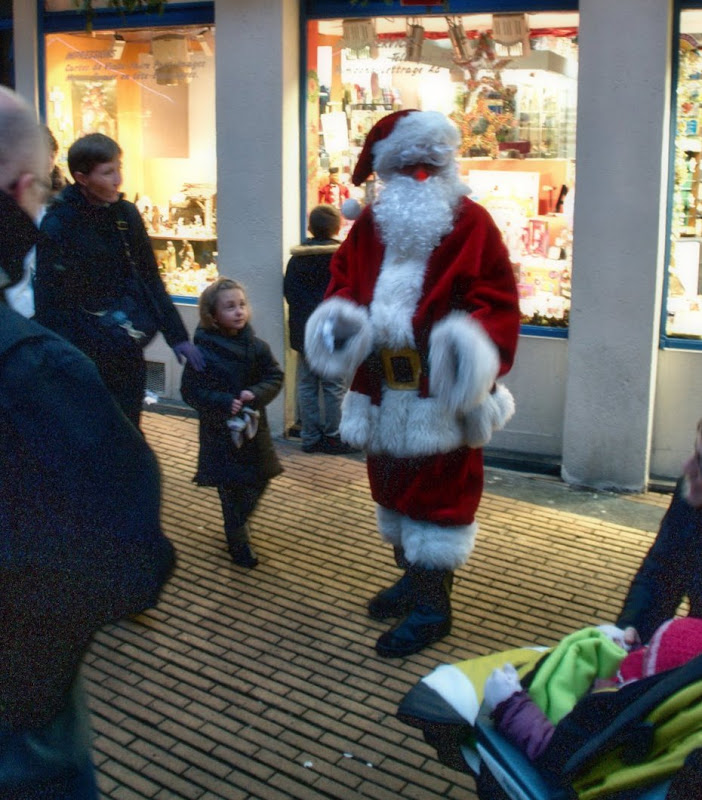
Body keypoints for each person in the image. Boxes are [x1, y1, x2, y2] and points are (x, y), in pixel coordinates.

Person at [0, 85, 175, 798]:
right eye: (37, 187)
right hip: (22, 725)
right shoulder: (37, 372)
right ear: (21, 191)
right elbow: (131, 557)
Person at [304, 109, 520, 658]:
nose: (420, 176)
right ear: (388, 172)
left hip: (442, 393)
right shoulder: (370, 229)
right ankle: (411, 579)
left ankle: (434, 606)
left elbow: (496, 301)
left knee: (440, 497)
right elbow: (344, 285)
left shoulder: (473, 224)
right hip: (381, 385)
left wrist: (466, 352)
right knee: (394, 488)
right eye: (408, 168)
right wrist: (342, 325)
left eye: (430, 165)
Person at [34, 132, 204, 429]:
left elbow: (150, 277)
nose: (118, 179)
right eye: (108, 171)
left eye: (119, 168)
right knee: (90, 432)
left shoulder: (125, 214)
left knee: (127, 428)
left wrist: (177, 336)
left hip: (124, 347)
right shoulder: (59, 222)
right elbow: (50, 298)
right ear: (82, 177)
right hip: (82, 353)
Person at [181, 277, 283, 568]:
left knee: (260, 478)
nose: (239, 311)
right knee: (230, 487)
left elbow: (274, 376)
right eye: (230, 307)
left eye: (242, 305)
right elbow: (190, 391)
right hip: (220, 431)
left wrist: (257, 394)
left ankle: (238, 522)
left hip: (253, 429)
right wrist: (223, 401)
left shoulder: (257, 347)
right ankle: (238, 541)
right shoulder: (202, 352)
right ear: (212, 316)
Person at [617, 418, 702, 648]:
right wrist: (632, 629)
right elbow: (663, 572)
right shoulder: (690, 496)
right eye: (695, 453)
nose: (688, 468)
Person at [284, 204, 353, 454]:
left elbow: (289, 293)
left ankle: (310, 437)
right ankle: (334, 436)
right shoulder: (341, 258)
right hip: (332, 331)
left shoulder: (297, 259)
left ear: (310, 228)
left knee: (307, 384)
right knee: (334, 385)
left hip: (304, 332)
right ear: (337, 227)